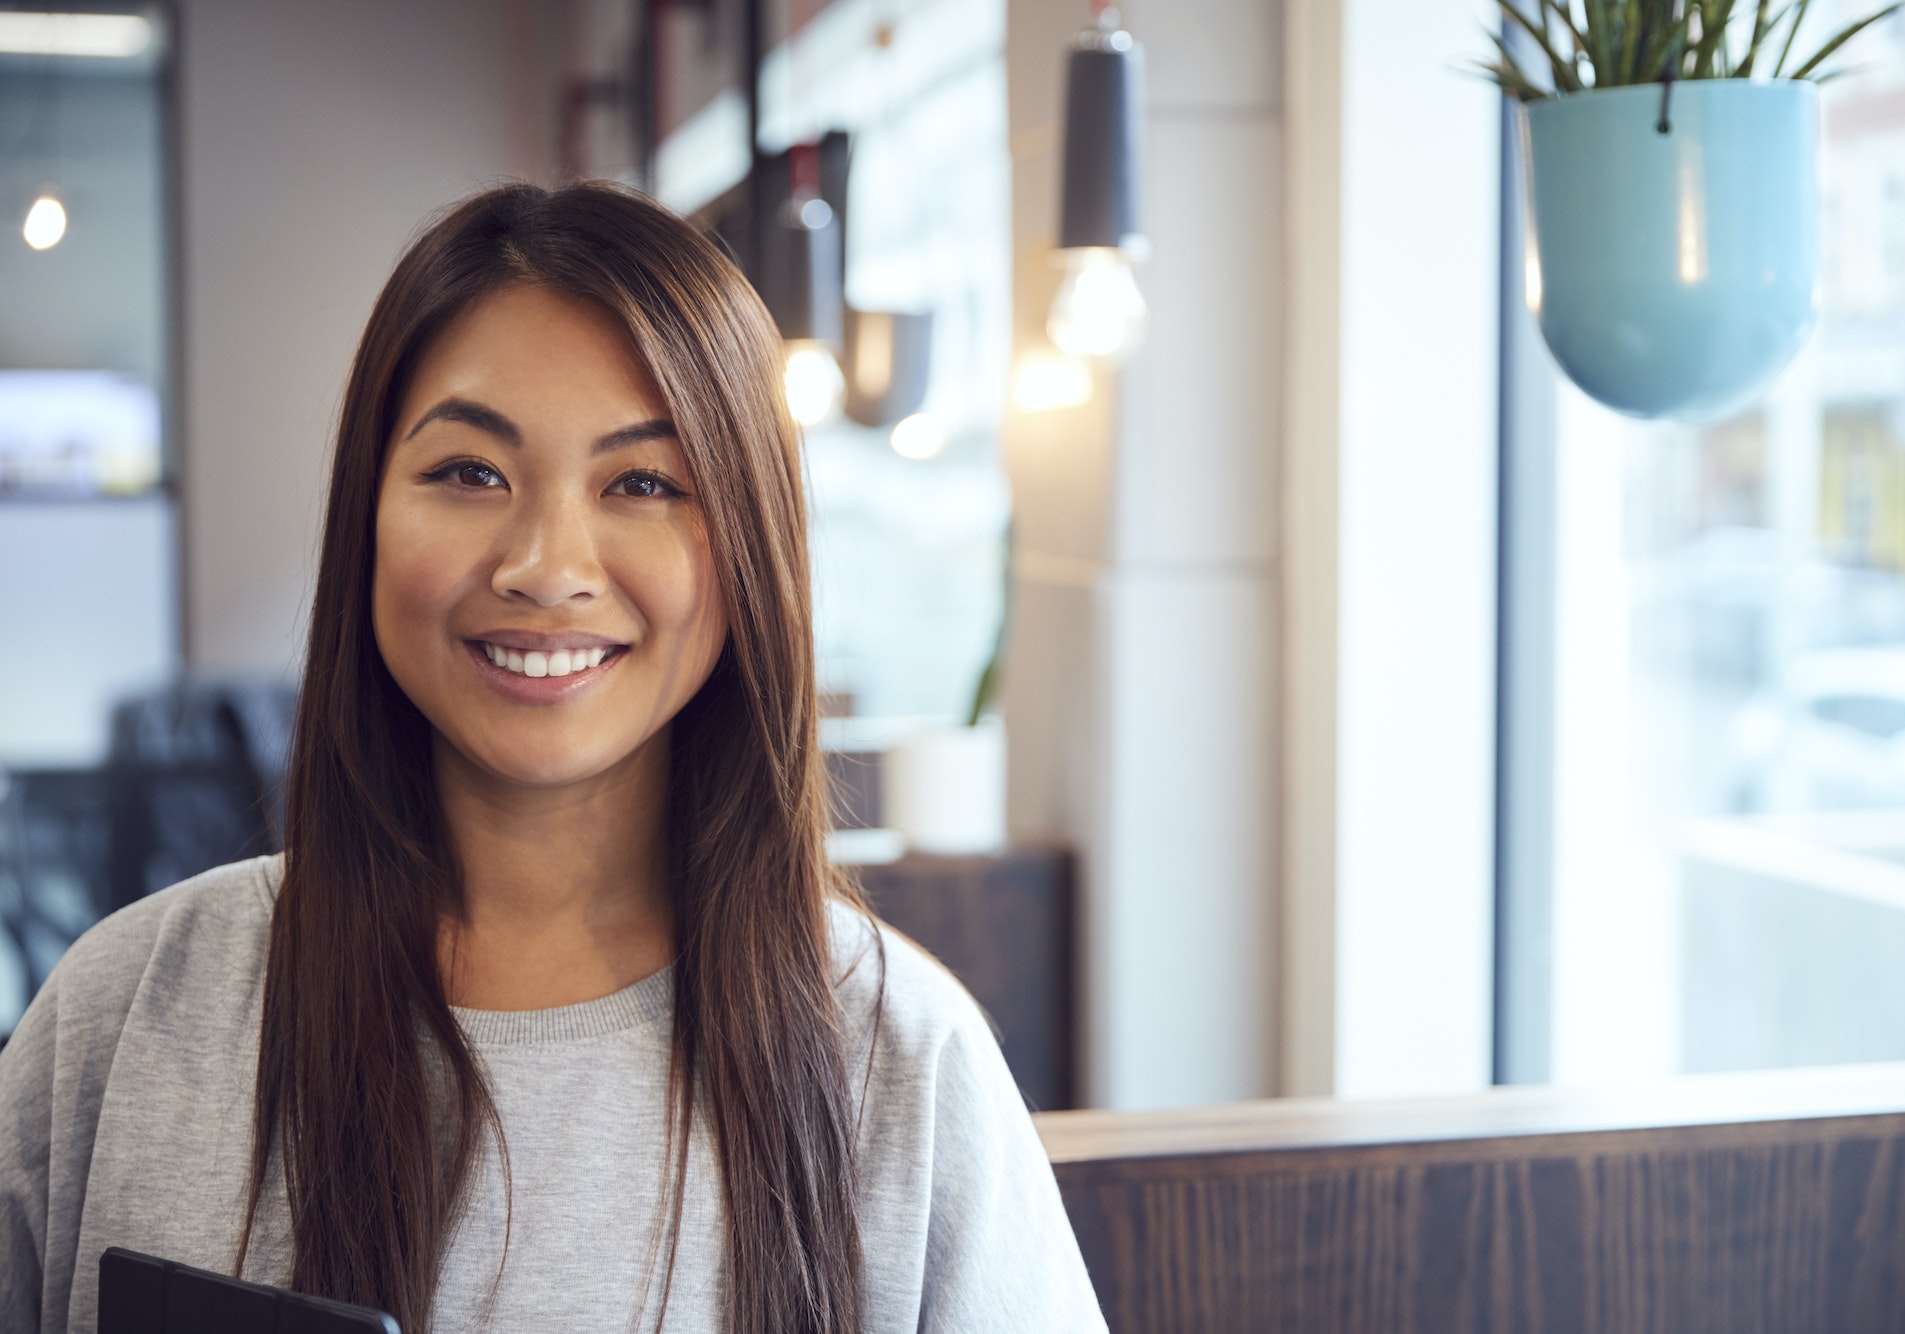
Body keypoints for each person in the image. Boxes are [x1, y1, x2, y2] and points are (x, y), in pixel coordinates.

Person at [0, 182, 1105, 1334]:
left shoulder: (898, 1062)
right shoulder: (123, 1010)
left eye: (642, 482)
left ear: (748, 547)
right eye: (469, 471)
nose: (544, 563)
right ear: (364, 517)